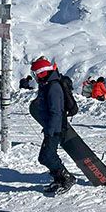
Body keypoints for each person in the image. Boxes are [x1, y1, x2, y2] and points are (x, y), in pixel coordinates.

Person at [28, 57, 76, 194]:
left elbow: (56, 111)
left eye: (35, 73)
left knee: (47, 156)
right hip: (51, 127)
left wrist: (51, 131)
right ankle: (59, 179)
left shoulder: (53, 87)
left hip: (55, 128)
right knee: (45, 156)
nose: (35, 77)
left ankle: (67, 178)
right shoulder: (47, 84)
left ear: (42, 72)